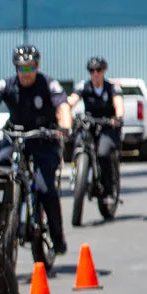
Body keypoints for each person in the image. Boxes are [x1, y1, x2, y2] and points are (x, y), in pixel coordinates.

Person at [0, 45, 72, 255]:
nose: (26, 73)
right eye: (22, 68)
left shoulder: (48, 84)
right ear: (16, 68)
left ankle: (57, 236)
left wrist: (65, 126)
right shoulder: (7, 84)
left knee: (45, 189)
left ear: (37, 66)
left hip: (44, 138)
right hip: (16, 137)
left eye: (30, 68)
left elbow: (63, 106)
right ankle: (1, 222)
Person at [67, 56, 124, 212]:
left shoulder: (111, 87)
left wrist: (118, 117)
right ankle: (77, 172)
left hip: (107, 125)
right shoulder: (84, 86)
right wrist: (65, 111)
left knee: (103, 153)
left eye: (98, 70)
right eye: (92, 71)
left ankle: (108, 191)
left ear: (103, 71)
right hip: (90, 124)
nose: (95, 73)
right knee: (79, 140)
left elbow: (118, 103)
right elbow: (71, 100)